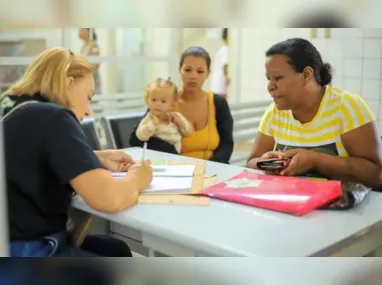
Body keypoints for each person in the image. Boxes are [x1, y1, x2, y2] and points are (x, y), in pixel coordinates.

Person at [0, 47, 153, 257]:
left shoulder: (13, 106)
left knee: (116, 249)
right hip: (29, 250)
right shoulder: (54, 116)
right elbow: (110, 199)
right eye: (88, 97)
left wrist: (94, 157)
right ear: (68, 83)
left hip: (9, 240)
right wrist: (138, 178)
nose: (89, 110)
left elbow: (27, 156)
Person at [246, 38, 382, 188]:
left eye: (278, 78)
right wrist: (264, 162)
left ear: (306, 74)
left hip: (341, 209)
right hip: (289, 206)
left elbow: (375, 173)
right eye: (268, 78)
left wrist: (315, 160)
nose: (270, 86)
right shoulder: (274, 113)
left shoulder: (347, 106)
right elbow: (251, 162)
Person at [130, 46, 234, 164]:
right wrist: (173, 156)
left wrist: (209, 168)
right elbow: (135, 139)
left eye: (200, 71)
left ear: (208, 73)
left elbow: (227, 145)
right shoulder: (166, 101)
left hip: (215, 170)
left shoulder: (218, 103)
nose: (193, 76)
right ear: (179, 70)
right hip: (177, 169)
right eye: (188, 70)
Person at [136, 77, 192, 153]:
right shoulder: (150, 118)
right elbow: (141, 136)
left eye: (163, 101)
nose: (157, 104)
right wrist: (153, 124)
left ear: (172, 105)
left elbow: (188, 132)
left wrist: (179, 123)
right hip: (156, 155)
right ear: (147, 100)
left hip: (175, 156)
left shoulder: (176, 117)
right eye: (153, 100)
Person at [79, 28, 102, 94]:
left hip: (92, 80)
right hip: (84, 80)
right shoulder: (83, 46)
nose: (78, 32)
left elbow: (96, 64)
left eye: (80, 30)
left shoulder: (94, 45)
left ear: (87, 31)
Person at [210, 28, 230, 99]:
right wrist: (228, 77)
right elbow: (225, 65)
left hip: (217, 87)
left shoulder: (223, 48)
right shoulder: (226, 49)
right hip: (220, 87)